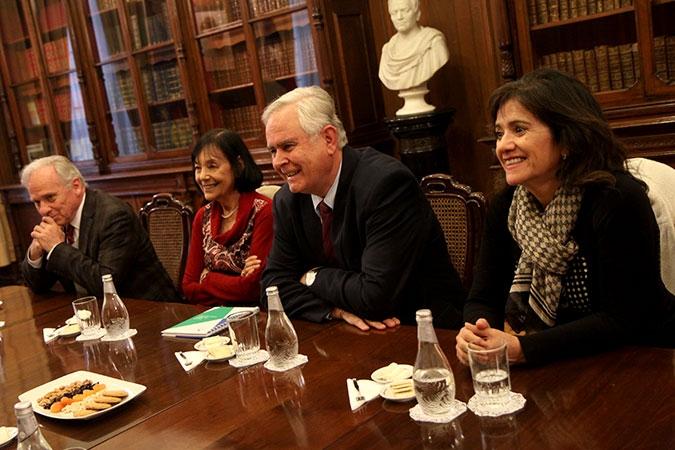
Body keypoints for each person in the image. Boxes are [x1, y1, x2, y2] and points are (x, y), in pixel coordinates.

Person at [456, 69, 675, 366]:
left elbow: (624, 318)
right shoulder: (506, 204)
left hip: (641, 359)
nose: (503, 146)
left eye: (519, 130)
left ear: (567, 138)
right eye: (499, 133)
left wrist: (524, 348)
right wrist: (478, 334)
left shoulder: (616, 197)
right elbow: (482, 297)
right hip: (556, 361)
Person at [261, 86, 465, 331]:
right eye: (273, 150)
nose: (277, 162)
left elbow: (375, 297)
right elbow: (271, 289)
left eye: (288, 146)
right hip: (347, 332)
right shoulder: (288, 200)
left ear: (329, 139)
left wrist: (312, 275)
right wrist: (333, 310)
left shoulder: (386, 184)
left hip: (421, 331)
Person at [20, 155, 178, 301]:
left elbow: (107, 284)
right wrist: (36, 253)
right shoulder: (59, 220)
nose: (43, 210)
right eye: (37, 202)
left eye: (50, 198)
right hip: (94, 316)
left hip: (148, 310)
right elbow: (38, 287)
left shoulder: (114, 215)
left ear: (76, 186)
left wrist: (57, 247)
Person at [182, 129, 273, 305]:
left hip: (255, 317)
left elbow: (253, 289)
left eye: (212, 166)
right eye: (198, 168)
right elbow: (188, 287)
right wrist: (238, 281)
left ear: (238, 165)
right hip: (209, 318)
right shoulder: (203, 215)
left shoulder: (263, 211)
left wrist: (208, 278)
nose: (202, 176)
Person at [378, 0, 449, 92]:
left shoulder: (433, 42)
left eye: (405, 10)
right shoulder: (387, 50)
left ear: (417, 13)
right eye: (394, 12)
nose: (399, 17)